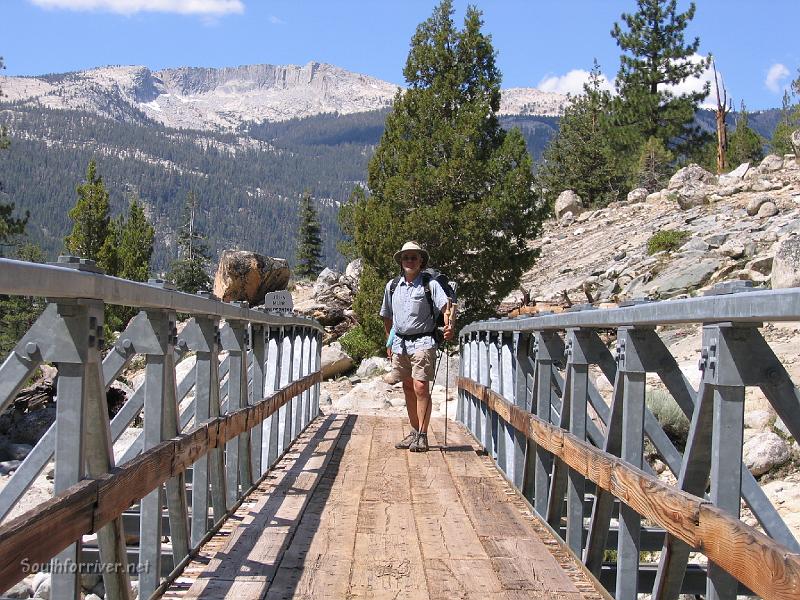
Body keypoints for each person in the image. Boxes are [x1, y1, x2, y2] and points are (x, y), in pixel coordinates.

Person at [380, 241, 453, 452]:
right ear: (401, 262)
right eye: (406, 257)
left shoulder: (430, 284)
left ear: (421, 260)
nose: (409, 261)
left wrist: (449, 326)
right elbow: (387, 315)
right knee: (407, 387)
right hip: (400, 343)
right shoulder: (392, 286)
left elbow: (445, 306)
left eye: (413, 257)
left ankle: (422, 434)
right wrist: (389, 341)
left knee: (421, 386)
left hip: (423, 341)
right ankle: (414, 432)